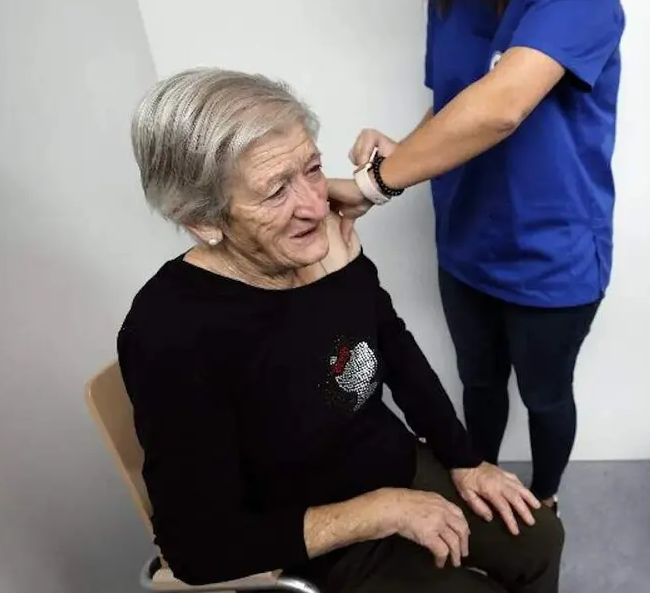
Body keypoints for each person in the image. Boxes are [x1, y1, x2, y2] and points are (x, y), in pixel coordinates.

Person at [119, 68, 563, 593]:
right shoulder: (170, 334)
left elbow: (392, 351)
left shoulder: (321, 247)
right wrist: (382, 511)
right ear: (203, 220)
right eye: (275, 191)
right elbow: (198, 548)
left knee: (539, 536)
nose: (313, 205)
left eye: (311, 169)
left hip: (386, 464)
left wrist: (466, 461)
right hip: (304, 535)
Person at [329, 0, 624, 510]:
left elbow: (503, 105)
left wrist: (375, 184)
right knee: (479, 384)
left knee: (546, 396)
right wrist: (398, 152)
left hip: (554, 251)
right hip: (464, 242)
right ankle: (477, 486)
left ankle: (544, 502)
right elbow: (454, 107)